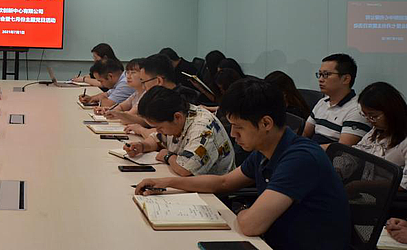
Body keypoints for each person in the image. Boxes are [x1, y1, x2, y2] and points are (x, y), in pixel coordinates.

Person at [136, 78, 351, 250]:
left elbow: (250, 225)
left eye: (238, 127)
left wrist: (243, 211)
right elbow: (223, 182)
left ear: (266, 123)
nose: (233, 134)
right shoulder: (266, 149)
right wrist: (166, 182)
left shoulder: (300, 158)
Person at [123, 86, 235, 176]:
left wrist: (168, 156)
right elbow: (158, 139)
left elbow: (186, 170)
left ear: (177, 117)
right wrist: (142, 146)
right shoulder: (177, 113)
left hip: (215, 192)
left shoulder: (202, 129)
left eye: (159, 127)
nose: (158, 130)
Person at [303, 53, 370, 147]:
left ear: (346, 79)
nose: (320, 79)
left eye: (326, 74)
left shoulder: (357, 109)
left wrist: (307, 149)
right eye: (320, 74)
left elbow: (342, 148)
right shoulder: (323, 102)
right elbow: (305, 132)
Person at [355, 82, 407, 190]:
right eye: (365, 115)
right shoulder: (376, 131)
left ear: (392, 111)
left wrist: (361, 186)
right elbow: (357, 153)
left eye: (373, 116)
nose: (369, 121)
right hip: (367, 190)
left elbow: (404, 184)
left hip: (390, 196)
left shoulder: (404, 141)